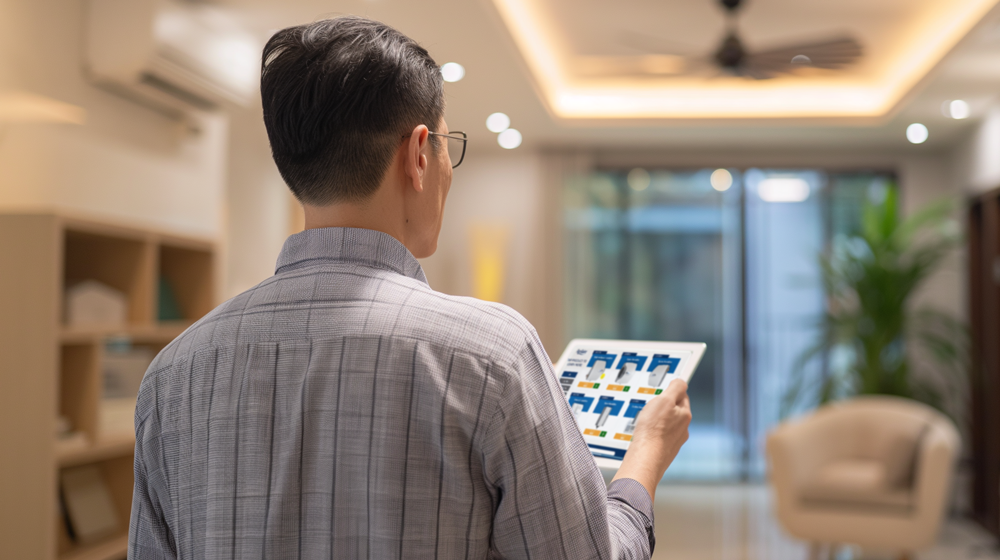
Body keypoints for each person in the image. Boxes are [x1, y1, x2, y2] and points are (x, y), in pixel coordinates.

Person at [129, 15, 691, 559]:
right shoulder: (493, 354)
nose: (449, 168)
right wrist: (645, 457)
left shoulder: (172, 373)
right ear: (419, 155)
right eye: (449, 146)